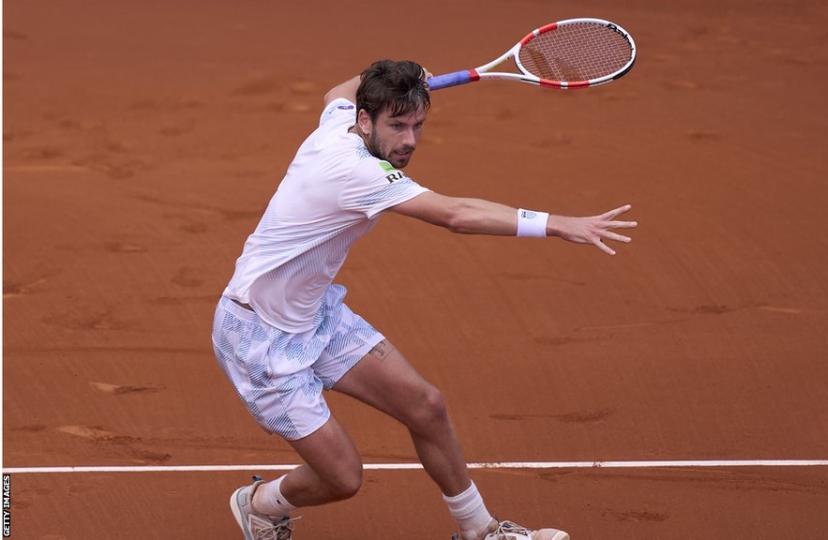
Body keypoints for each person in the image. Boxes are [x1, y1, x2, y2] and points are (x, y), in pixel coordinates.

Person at [212, 59, 636, 540]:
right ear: (365, 121)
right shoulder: (354, 170)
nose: (409, 141)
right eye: (397, 125)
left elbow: (339, 87)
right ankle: (261, 504)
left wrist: (400, 75)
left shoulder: (340, 121)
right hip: (259, 337)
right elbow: (456, 214)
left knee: (425, 406)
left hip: (313, 314)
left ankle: (480, 531)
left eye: (417, 125)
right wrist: (559, 224)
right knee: (343, 478)